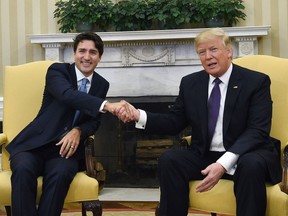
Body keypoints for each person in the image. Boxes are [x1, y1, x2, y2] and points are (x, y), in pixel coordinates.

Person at [116, 28, 282, 216]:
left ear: (229, 51)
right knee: (170, 160)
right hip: (205, 153)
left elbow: (257, 130)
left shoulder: (255, 81)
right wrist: (138, 115)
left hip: (246, 153)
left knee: (251, 165)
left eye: (213, 49)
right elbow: (174, 122)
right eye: (202, 52)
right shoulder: (191, 83)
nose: (208, 56)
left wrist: (223, 164)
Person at [6, 32, 126, 216]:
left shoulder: (102, 84)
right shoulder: (58, 71)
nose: (87, 57)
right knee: (23, 170)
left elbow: (94, 121)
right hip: (34, 145)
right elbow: (67, 95)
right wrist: (107, 105)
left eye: (93, 52)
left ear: (99, 57)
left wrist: (78, 130)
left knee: (61, 175)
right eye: (82, 51)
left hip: (65, 151)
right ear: (74, 53)